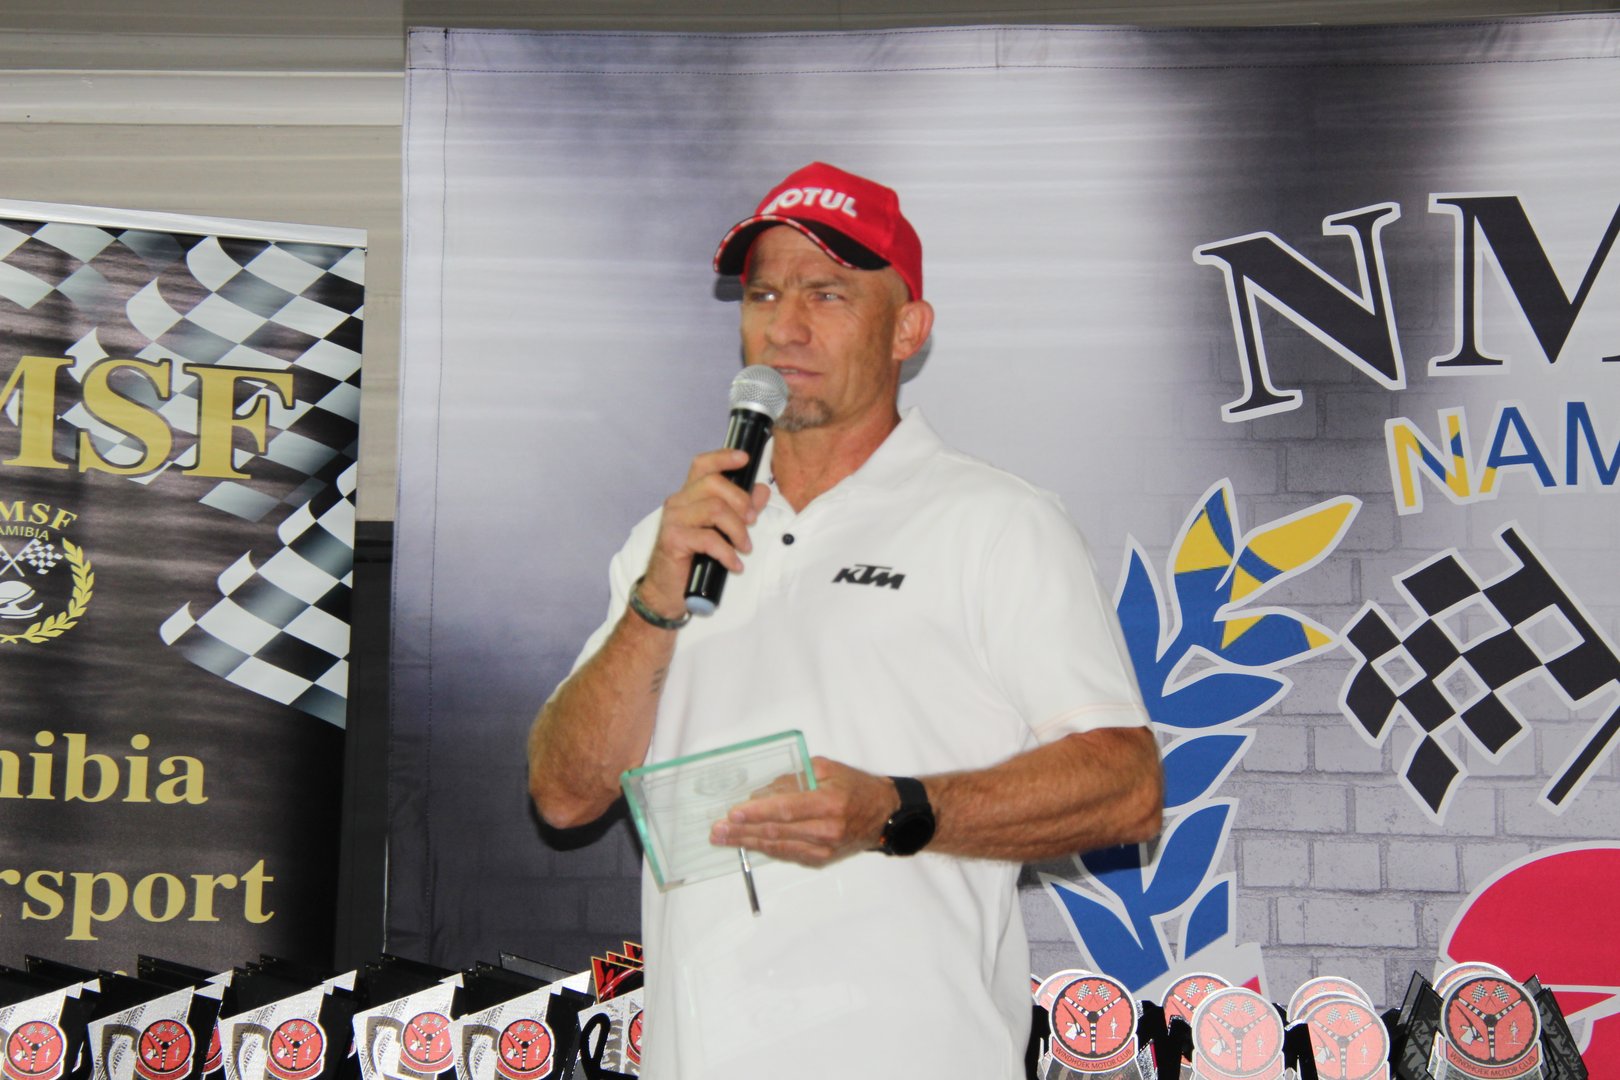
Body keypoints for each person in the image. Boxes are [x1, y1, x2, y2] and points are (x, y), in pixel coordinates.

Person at [528, 162, 1163, 1079]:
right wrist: (655, 600)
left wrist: (895, 810)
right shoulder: (669, 540)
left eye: (827, 294)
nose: (784, 327)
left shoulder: (995, 521)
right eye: (764, 295)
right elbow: (562, 794)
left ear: (908, 329)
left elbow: (1127, 788)